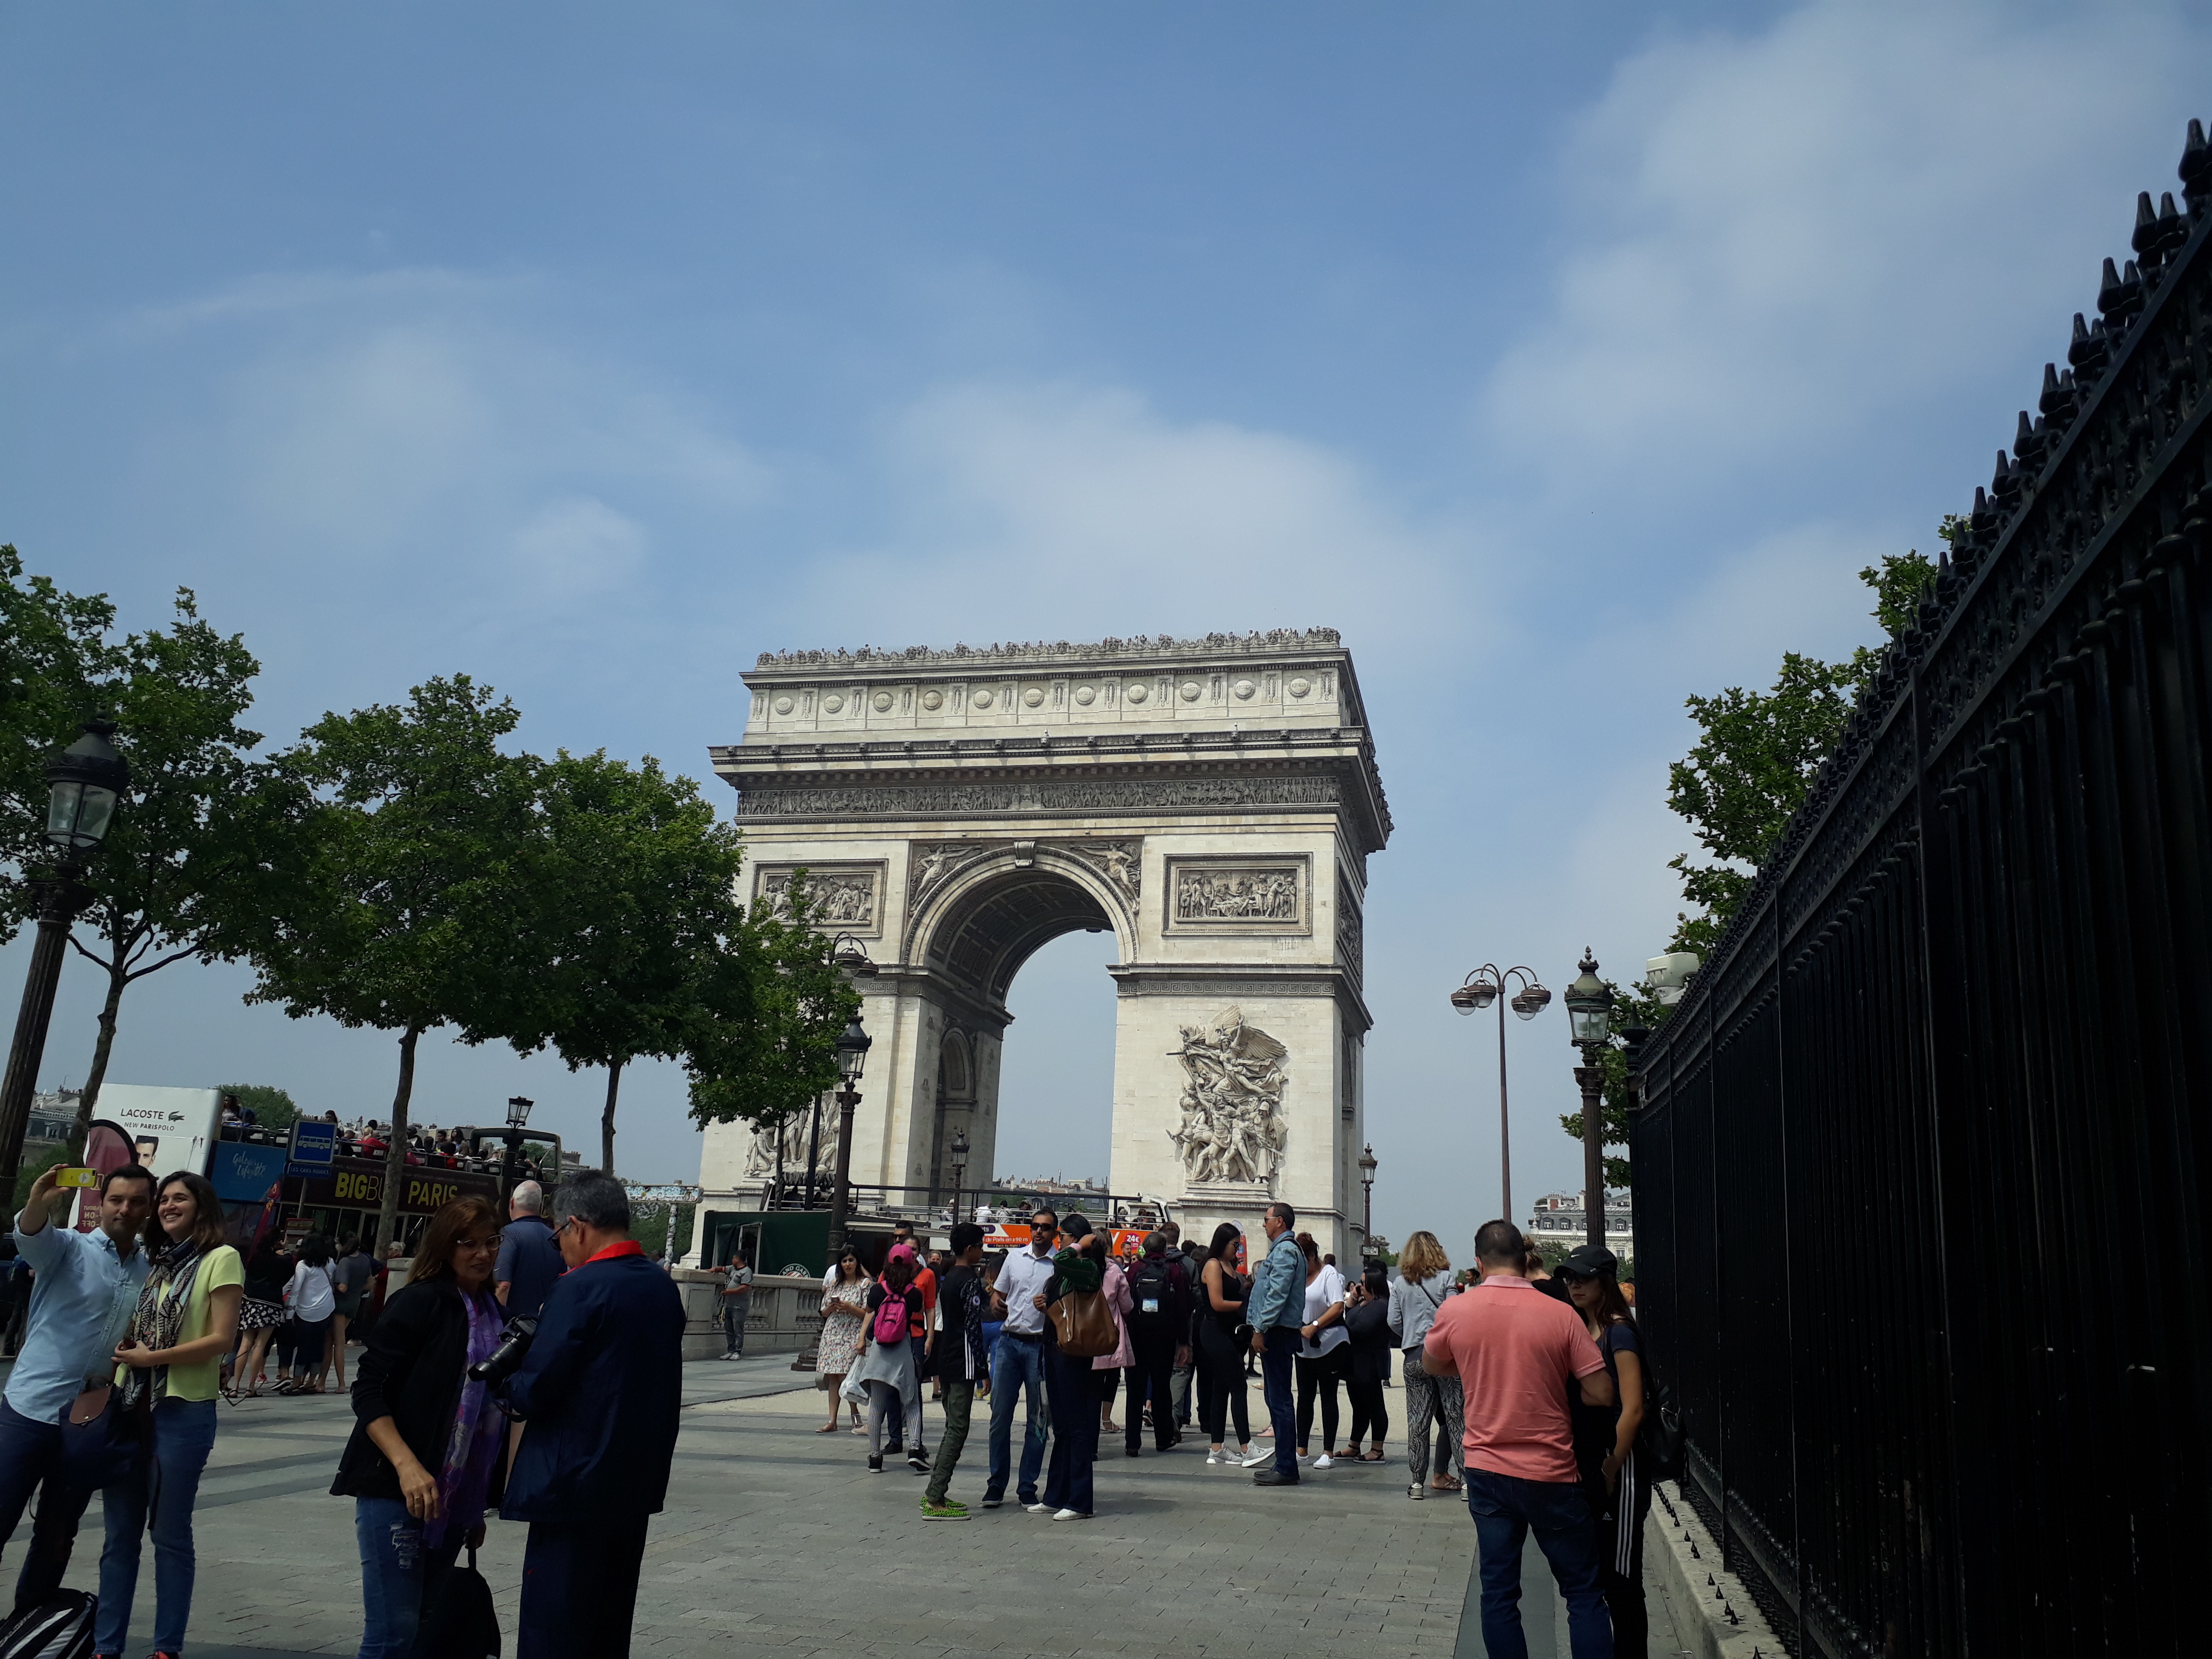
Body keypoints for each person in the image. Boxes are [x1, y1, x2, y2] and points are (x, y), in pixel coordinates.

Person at [499, 1170, 686, 1659]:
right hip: (633, 1483)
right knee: (608, 1623)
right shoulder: (662, 1287)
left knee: (554, 1627)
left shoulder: (579, 1287)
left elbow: (538, 1388)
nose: (560, 1247)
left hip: (572, 1482)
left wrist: (505, 1386)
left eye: (559, 1235)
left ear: (578, 1226)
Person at [1424, 1221, 1616, 1659]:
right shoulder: (1561, 1313)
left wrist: (1476, 1368)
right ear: (1524, 1258)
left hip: (1488, 1467)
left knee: (1498, 1592)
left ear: (1479, 1263)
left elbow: (1434, 1366)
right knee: (1583, 1593)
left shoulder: (1457, 1311)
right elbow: (1602, 1392)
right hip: (1551, 1468)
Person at [333, 1195, 511, 1659]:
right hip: (396, 1486)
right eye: (467, 1244)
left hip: (449, 1501)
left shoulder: (491, 1312)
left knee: (421, 1628)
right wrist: (406, 1465)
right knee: (393, 1632)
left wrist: (474, 1502)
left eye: (490, 1242)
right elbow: (368, 1390)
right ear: (443, 1247)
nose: (481, 1254)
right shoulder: (420, 1302)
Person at [95, 1170, 245, 1658]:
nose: (167, 1206)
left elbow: (222, 1340)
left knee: (169, 1534)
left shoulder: (221, 1259)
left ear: (202, 1206)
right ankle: (105, 1645)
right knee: (119, 1536)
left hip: (182, 1411)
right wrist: (130, 1351)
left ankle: (166, 1647)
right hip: (130, 1406)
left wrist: (151, 1359)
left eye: (179, 1198)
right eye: (163, 1199)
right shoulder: (156, 1263)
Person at [0, 1163, 154, 1617]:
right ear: (101, 1203)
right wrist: (38, 1199)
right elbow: (32, 1237)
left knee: (57, 1535)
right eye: (116, 1200)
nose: (125, 1209)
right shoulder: (69, 1248)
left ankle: (27, 1630)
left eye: (137, 1201)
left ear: (148, 1208)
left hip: (87, 1420)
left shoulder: (150, 1268)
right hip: (30, 1410)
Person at [1559, 1244, 1648, 1655]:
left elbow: (1633, 1409)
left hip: (1623, 1466)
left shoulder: (1620, 1332)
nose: (1574, 1284)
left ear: (1605, 1282)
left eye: (1583, 1277)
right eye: (1569, 1277)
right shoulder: (1586, 1329)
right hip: (1600, 1465)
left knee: (1623, 1579)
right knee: (1606, 1575)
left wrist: (1612, 1466)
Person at [981, 1206, 1057, 1510]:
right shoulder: (1013, 1258)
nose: (1039, 1231)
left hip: (1040, 1348)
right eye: (1035, 1226)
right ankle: (996, 1484)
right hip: (1009, 1344)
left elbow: (1068, 1311)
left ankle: (1027, 1485)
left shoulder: (1058, 1266)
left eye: (1045, 1227)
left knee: (1038, 1422)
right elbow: (997, 1295)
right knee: (1000, 1417)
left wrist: (1049, 1308)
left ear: (1055, 1233)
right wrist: (997, 1304)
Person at [921, 1223, 990, 1519]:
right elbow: (974, 1327)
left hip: (947, 1358)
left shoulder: (948, 1278)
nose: (982, 1251)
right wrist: (983, 1369)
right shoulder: (970, 1281)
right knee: (958, 1429)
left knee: (953, 1426)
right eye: (980, 1246)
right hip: (963, 1361)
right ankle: (934, 1497)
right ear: (970, 1249)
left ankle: (938, 1492)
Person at [1037, 1217, 1105, 1520]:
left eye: (1062, 1235)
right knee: (1061, 1425)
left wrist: (1083, 1243)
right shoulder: (1065, 1270)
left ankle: (1080, 1500)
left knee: (1077, 1425)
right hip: (1054, 1346)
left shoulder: (1089, 1268)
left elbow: (1064, 1257)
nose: (1058, 1241)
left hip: (1074, 1351)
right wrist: (1045, 1303)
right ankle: (1055, 1494)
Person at [1389, 1230, 1464, 1500]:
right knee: (1456, 1419)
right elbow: (1455, 1315)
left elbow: (1393, 1321)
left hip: (1414, 1357)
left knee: (1418, 1422)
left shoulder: (1399, 1283)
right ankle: (1466, 1482)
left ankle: (1417, 1483)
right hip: (1444, 1357)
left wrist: (1411, 1335)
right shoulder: (1446, 1279)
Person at [1246, 1201, 1305, 1487]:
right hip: (1280, 1331)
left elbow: (1276, 1295)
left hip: (1278, 1332)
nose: (1264, 1223)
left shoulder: (1284, 1251)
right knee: (1276, 1398)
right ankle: (1283, 1463)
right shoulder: (1285, 1250)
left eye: (1266, 1218)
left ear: (1280, 1221)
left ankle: (1286, 1466)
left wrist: (1260, 1328)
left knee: (1280, 1401)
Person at [852, 1246, 926, 1474]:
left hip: (879, 1352)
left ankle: (875, 1457)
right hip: (902, 1351)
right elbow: (920, 1311)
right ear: (909, 1265)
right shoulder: (913, 1293)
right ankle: (914, 1449)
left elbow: (869, 1312)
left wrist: (862, 1338)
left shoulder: (876, 1290)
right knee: (911, 1401)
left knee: (877, 1406)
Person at [1120, 1231, 1189, 1456]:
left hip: (1137, 1337)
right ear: (1165, 1250)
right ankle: (1163, 1438)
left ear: (1143, 1248)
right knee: (1161, 1388)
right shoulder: (1175, 1270)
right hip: (1164, 1337)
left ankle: (1132, 1442)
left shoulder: (1134, 1270)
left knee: (1135, 1389)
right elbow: (1182, 1308)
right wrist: (1183, 1342)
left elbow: (1127, 1305)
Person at [1194, 1222, 1252, 1466]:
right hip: (1215, 1329)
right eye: (1234, 1245)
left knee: (1221, 1388)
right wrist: (1246, 1306)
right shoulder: (1213, 1265)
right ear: (1222, 1242)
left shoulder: (1228, 1265)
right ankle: (1247, 1446)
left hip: (1227, 1330)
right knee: (1239, 1386)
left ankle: (1217, 1447)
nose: (1237, 1250)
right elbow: (1217, 1303)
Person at [1293, 1232, 1349, 1469]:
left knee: (1328, 1396)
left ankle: (1328, 1451)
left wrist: (1315, 1326)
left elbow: (1338, 1306)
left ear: (1312, 1256)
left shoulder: (1329, 1274)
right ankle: (1301, 1448)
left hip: (1329, 1342)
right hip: (1304, 1345)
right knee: (1304, 1397)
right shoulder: (1298, 1277)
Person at [880, 1226, 935, 1456]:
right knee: (890, 1387)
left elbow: (931, 1308)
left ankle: (916, 1439)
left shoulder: (927, 1275)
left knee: (913, 1387)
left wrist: (930, 1337)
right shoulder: (887, 1275)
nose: (909, 1253)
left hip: (915, 1333)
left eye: (914, 1250)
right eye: (906, 1249)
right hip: (891, 1335)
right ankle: (895, 1438)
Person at [816, 1247, 871, 1434]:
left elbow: (868, 1313)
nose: (848, 1264)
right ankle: (832, 1419)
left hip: (852, 1332)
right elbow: (823, 1312)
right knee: (833, 1376)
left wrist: (849, 1307)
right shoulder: (834, 1284)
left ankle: (855, 1414)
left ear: (857, 1263)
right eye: (844, 1261)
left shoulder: (864, 1284)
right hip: (833, 1333)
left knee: (847, 1375)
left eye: (851, 1260)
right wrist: (833, 1306)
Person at [1343, 1263, 1393, 1463]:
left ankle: (1377, 1449)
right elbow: (1349, 1317)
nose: (1359, 1286)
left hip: (1370, 1361)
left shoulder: (1381, 1305)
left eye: (1363, 1283)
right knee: (1359, 1405)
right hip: (1356, 1360)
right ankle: (1354, 1445)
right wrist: (1354, 1298)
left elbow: (1359, 1329)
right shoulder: (1364, 1303)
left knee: (1374, 1405)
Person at [494, 1180, 562, 1320]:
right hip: (545, 1324)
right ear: (540, 1207)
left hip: (515, 1327)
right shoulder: (556, 1238)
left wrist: (495, 1324)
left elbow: (503, 1285)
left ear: (512, 1203)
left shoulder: (509, 1234)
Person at [276, 1236, 337, 1393]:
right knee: (318, 1346)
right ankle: (312, 1380)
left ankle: (296, 1381)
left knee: (304, 1347)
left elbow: (295, 1290)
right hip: (325, 1309)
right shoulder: (330, 1263)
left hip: (305, 1311)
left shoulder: (303, 1266)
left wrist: (289, 1314)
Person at [233, 1235, 288, 1400]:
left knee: (246, 1343)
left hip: (251, 1302)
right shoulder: (281, 1261)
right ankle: (251, 1387)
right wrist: (284, 1248)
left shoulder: (252, 1259)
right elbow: (288, 1269)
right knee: (260, 1345)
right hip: (271, 1304)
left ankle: (235, 1386)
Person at [324, 1235, 375, 1392]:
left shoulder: (345, 1261)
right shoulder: (365, 1260)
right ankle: (324, 1381)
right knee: (334, 1340)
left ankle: (339, 1383)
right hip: (355, 1303)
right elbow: (370, 1284)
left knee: (337, 1343)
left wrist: (334, 1283)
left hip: (341, 1303)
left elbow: (343, 1287)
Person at [719, 1250, 754, 1361]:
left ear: (738, 1259)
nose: (732, 1260)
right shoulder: (733, 1269)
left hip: (739, 1305)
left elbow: (744, 1287)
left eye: (734, 1258)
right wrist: (714, 1269)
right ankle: (730, 1350)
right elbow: (723, 1269)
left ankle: (737, 1351)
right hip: (728, 1304)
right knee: (728, 1328)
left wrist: (729, 1292)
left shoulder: (746, 1272)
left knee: (737, 1328)